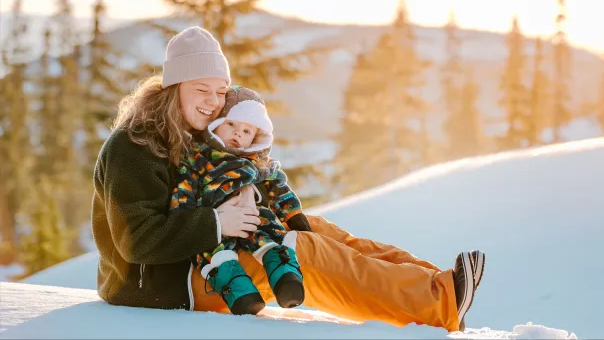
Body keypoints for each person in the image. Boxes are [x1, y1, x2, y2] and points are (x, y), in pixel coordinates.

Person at [92, 25, 485, 333]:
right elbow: (135, 241)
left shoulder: (195, 128)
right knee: (303, 252)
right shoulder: (134, 144)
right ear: (173, 87)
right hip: (165, 286)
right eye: (201, 90)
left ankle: (440, 283)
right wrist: (218, 222)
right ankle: (439, 305)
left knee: (314, 228)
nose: (213, 102)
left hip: (207, 251)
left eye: (220, 91)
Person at [169, 85, 309, 315]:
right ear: (217, 123)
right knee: (214, 253)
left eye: (246, 131)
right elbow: (184, 188)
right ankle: (240, 293)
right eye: (231, 125)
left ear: (255, 138)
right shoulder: (199, 156)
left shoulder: (258, 161)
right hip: (215, 219)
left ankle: (285, 277)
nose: (237, 134)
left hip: (252, 215)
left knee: (270, 231)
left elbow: (278, 187)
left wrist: (293, 214)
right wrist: (184, 215)